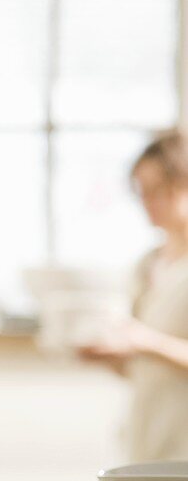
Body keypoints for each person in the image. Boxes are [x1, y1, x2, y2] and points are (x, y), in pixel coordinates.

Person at [80, 129, 188, 462]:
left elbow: (148, 344)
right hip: (145, 441)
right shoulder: (145, 266)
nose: (148, 203)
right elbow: (143, 369)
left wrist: (144, 341)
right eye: (141, 192)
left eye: (158, 190)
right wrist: (115, 356)